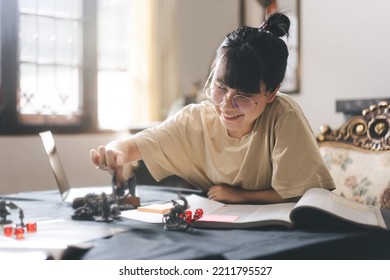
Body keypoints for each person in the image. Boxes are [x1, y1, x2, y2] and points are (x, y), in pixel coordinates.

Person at [90, 12, 335, 204]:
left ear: (272, 92)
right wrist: (114, 153)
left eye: (243, 97)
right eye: (220, 88)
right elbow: (134, 146)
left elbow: (303, 193)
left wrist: (242, 196)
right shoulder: (196, 119)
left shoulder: (283, 116)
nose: (226, 105)